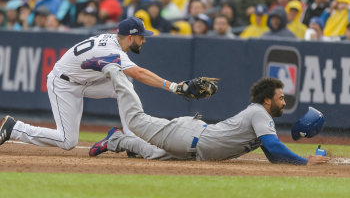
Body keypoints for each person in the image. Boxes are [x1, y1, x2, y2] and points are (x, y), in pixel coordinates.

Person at [83, 61, 330, 166]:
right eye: (281, 98)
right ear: (267, 100)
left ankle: (116, 139)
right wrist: (305, 161)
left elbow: (274, 157)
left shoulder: (262, 118)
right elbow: (275, 148)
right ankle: (116, 72)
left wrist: (301, 160)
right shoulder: (259, 115)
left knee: (152, 154)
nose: (284, 102)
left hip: (194, 149)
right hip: (188, 136)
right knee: (136, 120)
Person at [0, 17, 184, 152]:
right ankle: (15, 128)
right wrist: (174, 87)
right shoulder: (112, 49)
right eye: (141, 37)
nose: (144, 40)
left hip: (84, 80)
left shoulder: (114, 40)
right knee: (67, 141)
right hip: (63, 84)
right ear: (130, 37)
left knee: (123, 87)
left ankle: (131, 139)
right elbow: (139, 73)